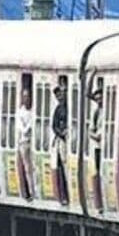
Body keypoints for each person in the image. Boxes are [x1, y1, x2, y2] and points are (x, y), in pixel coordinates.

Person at [15, 81, 35, 201]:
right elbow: (21, 127)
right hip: (24, 141)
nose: (26, 98)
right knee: (27, 168)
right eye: (24, 96)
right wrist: (28, 127)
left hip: (32, 141)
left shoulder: (32, 111)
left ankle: (33, 191)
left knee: (32, 168)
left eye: (28, 96)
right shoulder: (21, 112)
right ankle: (30, 192)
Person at [52, 77, 70, 205]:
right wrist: (61, 133)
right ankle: (65, 194)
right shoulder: (58, 109)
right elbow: (54, 126)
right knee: (63, 166)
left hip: (70, 138)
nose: (60, 97)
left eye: (61, 94)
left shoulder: (70, 106)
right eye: (57, 96)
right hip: (62, 140)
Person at [87, 81, 105, 210]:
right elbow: (91, 130)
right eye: (97, 99)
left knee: (102, 172)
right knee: (97, 172)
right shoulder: (96, 112)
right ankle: (99, 202)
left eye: (100, 98)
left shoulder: (108, 110)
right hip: (98, 146)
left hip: (106, 146)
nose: (98, 100)